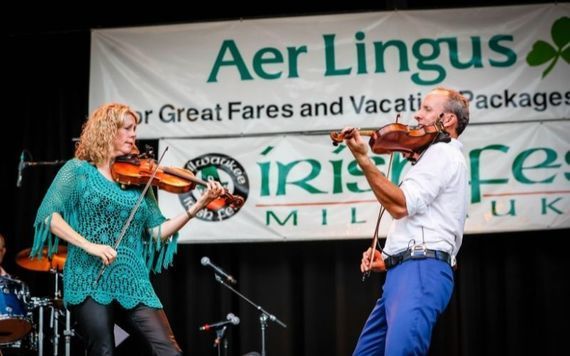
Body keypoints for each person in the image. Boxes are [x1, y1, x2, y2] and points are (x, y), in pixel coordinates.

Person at [31, 102, 224, 356]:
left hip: (132, 278)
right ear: (107, 131)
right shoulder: (78, 171)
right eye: (127, 128)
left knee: (169, 350)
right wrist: (91, 245)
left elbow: (156, 231)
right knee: (103, 350)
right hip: (89, 275)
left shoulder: (138, 180)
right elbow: (48, 217)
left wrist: (198, 205)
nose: (134, 134)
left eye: (135, 129)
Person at [344, 87, 470, 355]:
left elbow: (401, 205)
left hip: (421, 270)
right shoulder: (432, 156)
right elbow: (415, 219)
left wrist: (364, 160)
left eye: (426, 109)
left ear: (448, 120)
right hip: (405, 272)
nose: (417, 115)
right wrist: (388, 257)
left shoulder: (442, 153)